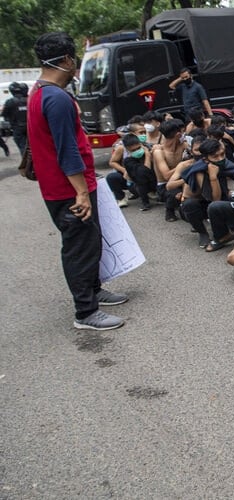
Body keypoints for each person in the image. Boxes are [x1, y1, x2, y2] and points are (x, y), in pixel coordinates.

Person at [28, 32, 127, 331]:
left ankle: (95, 290)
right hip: (67, 190)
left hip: (66, 185)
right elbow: (66, 149)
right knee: (79, 247)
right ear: (68, 60)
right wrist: (81, 192)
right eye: (75, 60)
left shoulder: (40, 92)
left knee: (90, 241)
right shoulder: (55, 98)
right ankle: (85, 312)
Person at [179, 138, 234, 248]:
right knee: (190, 205)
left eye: (222, 154)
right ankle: (204, 233)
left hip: (220, 199)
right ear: (206, 159)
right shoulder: (200, 170)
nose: (220, 158)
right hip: (200, 204)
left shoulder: (224, 163)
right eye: (215, 157)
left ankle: (225, 228)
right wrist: (213, 177)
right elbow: (215, 200)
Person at [121, 133, 157, 211]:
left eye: (138, 148)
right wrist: (147, 155)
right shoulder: (128, 161)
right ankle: (145, 203)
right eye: (133, 150)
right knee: (141, 179)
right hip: (140, 185)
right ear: (127, 149)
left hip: (154, 181)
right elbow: (144, 172)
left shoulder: (150, 149)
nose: (137, 151)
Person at [2, 81, 29, 154]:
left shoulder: (10, 102)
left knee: (23, 147)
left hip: (18, 128)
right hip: (30, 127)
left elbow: (4, 115)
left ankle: (28, 163)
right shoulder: (29, 100)